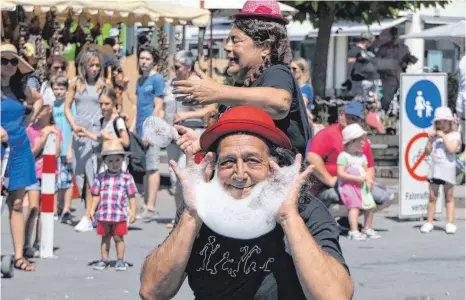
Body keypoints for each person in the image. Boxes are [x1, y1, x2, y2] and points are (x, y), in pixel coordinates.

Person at [140, 106, 353, 300]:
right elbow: (152, 291)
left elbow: (335, 296)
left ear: (273, 165)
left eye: (252, 160)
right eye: (228, 162)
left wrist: (289, 218)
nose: (240, 175)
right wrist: (191, 216)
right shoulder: (197, 208)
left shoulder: (304, 209)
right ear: (213, 167)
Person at [172, 0, 311, 156]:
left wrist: (218, 92)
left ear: (265, 47)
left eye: (235, 40)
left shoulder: (277, 72)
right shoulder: (242, 85)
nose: (226, 47)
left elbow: (279, 104)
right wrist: (203, 141)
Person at [307, 101, 394, 209]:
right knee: (336, 196)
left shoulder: (363, 140)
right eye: (349, 117)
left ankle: (352, 221)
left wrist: (368, 181)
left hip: (357, 184)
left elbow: (370, 167)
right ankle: (335, 218)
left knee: (387, 196)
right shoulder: (327, 134)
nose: (352, 122)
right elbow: (312, 157)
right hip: (331, 186)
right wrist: (329, 179)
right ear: (341, 115)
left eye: (356, 119)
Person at [165, 50, 217, 227]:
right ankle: (178, 217)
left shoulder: (197, 84)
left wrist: (185, 116)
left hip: (193, 134)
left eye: (177, 67)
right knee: (174, 176)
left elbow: (212, 109)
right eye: (173, 66)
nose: (174, 70)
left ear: (188, 67)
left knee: (184, 176)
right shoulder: (172, 83)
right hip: (173, 134)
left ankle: (192, 217)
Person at [1, 43, 38, 271]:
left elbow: (41, 101)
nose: (10, 65)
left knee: (17, 203)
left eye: (14, 61)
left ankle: (18, 256)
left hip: (20, 149)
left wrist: (29, 116)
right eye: (4, 60)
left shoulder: (20, 89)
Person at [65, 47, 106, 232]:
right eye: (92, 65)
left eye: (97, 65)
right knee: (79, 174)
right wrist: (73, 125)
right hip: (79, 132)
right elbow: (67, 107)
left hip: (95, 133)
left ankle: (88, 215)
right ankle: (91, 213)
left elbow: (111, 106)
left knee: (92, 176)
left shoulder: (103, 84)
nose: (95, 69)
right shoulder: (75, 83)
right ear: (84, 65)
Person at [88, 140, 137, 271]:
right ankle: (104, 259)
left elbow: (131, 195)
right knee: (105, 238)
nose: (114, 164)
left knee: (118, 238)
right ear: (104, 162)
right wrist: (92, 209)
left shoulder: (126, 177)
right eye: (110, 161)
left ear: (123, 160)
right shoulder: (100, 178)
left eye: (117, 160)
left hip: (119, 214)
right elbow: (95, 195)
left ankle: (120, 260)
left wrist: (133, 211)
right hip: (104, 214)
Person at [131, 45, 165, 221]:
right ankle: (146, 205)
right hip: (139, 129)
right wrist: (133, 126)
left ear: (154, 62)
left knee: (152, 167)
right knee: (143, 168)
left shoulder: (157, 79)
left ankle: (151, 207)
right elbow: (138, 105)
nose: (143, 62)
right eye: (141, 58)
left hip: (151, 130)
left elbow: (158, 106)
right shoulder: (139, 81)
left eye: (147, 59)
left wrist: (149, 131)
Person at [24, 105, 62, 257]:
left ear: (49, 111)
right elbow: (31, 153)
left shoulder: (56, 129)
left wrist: (55, 136)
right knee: (33, 208)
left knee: (45, 211)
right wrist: (43, 138)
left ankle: (39, 242)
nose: (37, 114)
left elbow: (57, 153)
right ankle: (26, 243)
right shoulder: (31, 130)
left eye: (40, 111)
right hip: (33, 174)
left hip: (49, 174)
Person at [337, 124, 380, 241]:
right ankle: (353, 231)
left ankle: (367, 227)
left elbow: (366, 171)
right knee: (354, 207)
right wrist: (354, 179)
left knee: (370, 206)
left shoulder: (362, 157)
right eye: (360, 140)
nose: (363, 143)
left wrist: (369, 179)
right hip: (349, 187)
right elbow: (340, 173)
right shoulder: (344, 156)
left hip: (362, 187)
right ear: (351, 142)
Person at [422, 107, 461, 234]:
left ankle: (450, 222)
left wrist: (444, 137)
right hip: (435, 168)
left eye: (445, 121)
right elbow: (427, 152)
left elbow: (452, 149)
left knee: (449, 195)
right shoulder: (434, 136)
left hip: (448, 169)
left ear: (450, 122)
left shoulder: (455, 135)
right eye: (439, 122)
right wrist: (429, 141)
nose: (442, 124)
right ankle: (429, 222)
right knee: (432, 196)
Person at [82, 88, 130, 173]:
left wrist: (109, 137)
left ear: (114, 103)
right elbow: (102, 139)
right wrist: (86, 133)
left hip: (118, 163)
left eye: (107, 104)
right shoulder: (103, 120)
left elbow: (126, 142)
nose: (103, 107)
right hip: (107, 161)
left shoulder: (118, 121)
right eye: (101, 104)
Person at [51, 74, 75, 222]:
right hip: (54, 150)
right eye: (56, 88)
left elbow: (73, 127)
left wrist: (70, 148)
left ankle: (66, 209)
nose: (59, 91)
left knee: (66, 181)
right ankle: (54, 209)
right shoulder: (52, 106)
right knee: (54, 181)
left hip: (66, 147)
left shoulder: (70, 105)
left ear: (66, 90)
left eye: (61, 88)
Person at [376, 27, 414, 111]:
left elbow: (408, 58)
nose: (394, 37)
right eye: (393, 35)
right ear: (390, 36)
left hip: (401, 77)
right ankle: (384, 115)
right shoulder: (384, 48)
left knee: (404, 99)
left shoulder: (404, 48)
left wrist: (410, 59)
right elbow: (377, 63)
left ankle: (399, 116)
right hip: (388, 78)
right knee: (386, 100)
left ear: (398, 35)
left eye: (396, 35)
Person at [347, 32, 379, 104]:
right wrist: (350, 80)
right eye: (370, 42)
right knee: (360, 101)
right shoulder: (354, 51)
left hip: (369, 81)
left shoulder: (366, 52)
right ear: (367, 41)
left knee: (368, 102)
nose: (371, 44)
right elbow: (350, 66)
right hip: (359, 82)